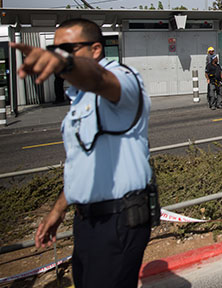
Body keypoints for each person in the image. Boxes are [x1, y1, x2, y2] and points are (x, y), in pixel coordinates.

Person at [12, 18, 156, 288]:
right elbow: (83, 163)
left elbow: (100, 78)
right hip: (87, 221)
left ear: (96, 50)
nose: (59, 54)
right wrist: (57, 211)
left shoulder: (124, 79)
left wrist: (65, 63)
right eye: (55, 49)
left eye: (68, 48)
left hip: (119, 219)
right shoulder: (79, 97)